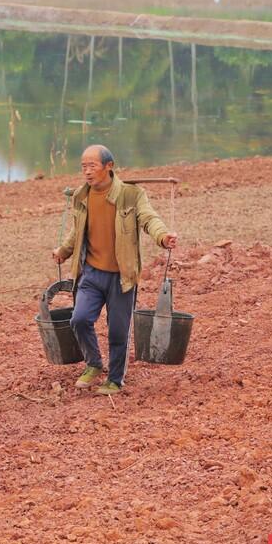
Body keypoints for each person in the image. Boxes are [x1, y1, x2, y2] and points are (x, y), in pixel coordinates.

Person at [51, 145, 178, 395]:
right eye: (83, 167)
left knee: (118, 330)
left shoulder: (131, 195)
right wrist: (63, 251)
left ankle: (115, 379)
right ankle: (94, 363)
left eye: (92, 166)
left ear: (109, 166)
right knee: (79, 319)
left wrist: (163, 237)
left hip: (122, 277)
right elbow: (78, 231)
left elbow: (148, 219)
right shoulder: (81, 196)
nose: (87, 172)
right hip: (91, 273)